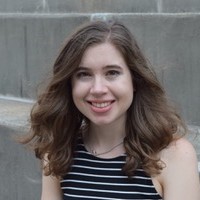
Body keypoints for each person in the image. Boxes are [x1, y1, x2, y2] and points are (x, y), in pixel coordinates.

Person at [22, 20, 200, 200]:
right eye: (84, 74)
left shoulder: (174, 155)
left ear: (135, 80)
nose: (98, 89)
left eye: (112, 73)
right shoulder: (58, 151)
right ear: (70, 84)